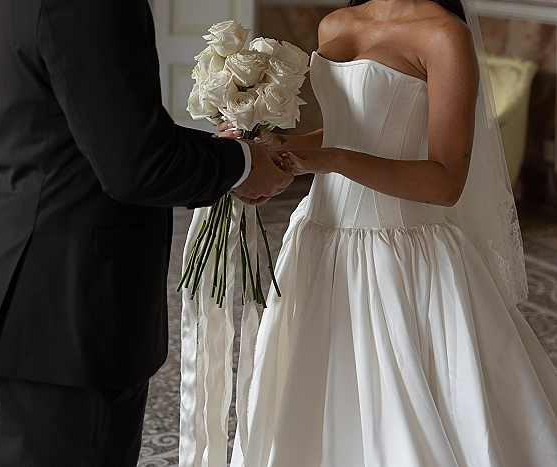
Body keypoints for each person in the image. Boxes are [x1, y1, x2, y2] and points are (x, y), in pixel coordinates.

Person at [219, 0, 557, 465]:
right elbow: (346, 127)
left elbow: (444, 182)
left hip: (397, 250)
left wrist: (330, 161)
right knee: (313, 383)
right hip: (318, 237)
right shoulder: (334, 23)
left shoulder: (443, 35)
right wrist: (266, 149)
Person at [0, 1, 293, 466]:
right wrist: (241, 165)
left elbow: (70, 129)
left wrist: (220, 153)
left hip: (0, 287)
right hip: (69, 312)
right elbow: (136, 164)